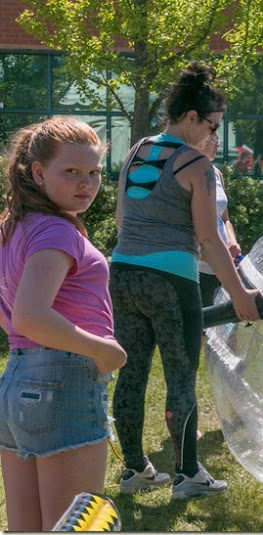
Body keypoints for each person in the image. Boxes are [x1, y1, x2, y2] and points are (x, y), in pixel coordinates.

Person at [110, 61, 261, 500]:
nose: (214, 135)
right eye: (212, 125)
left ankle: (135, 470)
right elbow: (209, 239)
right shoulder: (195, 163)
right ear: (191, 117)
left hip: (123, 274)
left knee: (132, 375)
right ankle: (188, 474)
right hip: (171, 279)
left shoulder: (138, 150)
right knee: (181, 377)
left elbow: (121, 217)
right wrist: (240, 295)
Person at [0, 117, 128, 531]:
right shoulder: (57, 231)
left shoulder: (13, 228)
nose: (86, 183)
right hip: (63, 383)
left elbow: (12, 313)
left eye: (94, 172)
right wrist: (103, 350)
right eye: (71, 171)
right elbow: (30, 315)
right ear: (38, 172)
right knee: (74, 526)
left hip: (16, 381)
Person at [196, 132, 242, 310]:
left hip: (221, 270)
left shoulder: (216, 173)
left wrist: (232, 243)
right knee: (202, 326)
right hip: (197, 271)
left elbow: (224, 218)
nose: (218, 144)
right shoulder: (185, 174)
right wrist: (219, 258)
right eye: (214, 139)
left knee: (225, 325)